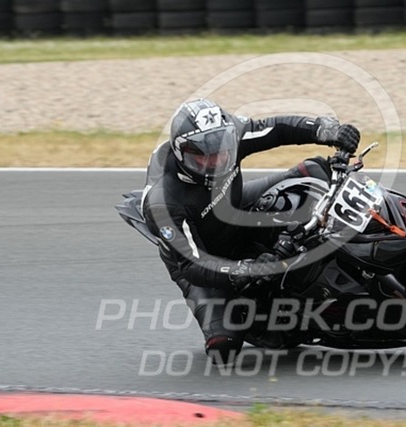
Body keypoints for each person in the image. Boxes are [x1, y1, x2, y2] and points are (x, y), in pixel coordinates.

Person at [142, 98, 360, 364]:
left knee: (315, 171)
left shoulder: (229, 134)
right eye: (205, 156)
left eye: (222, 152)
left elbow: (276, 128)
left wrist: (326, 130)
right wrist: (244, 271)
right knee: (223, 350)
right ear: (181, 153)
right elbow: (191, 264)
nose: (217, 161)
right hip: (200, 256)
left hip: (234, 206)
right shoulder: (162, 201)